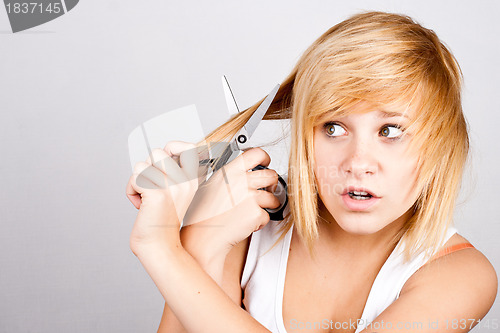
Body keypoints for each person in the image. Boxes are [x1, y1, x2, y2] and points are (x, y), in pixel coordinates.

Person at [126, 11, 497, 333]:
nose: (357, 162)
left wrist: (162, 249)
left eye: (390, 131)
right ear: (307, 136)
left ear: (440, 147)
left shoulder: (462, 275)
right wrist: (200, 244)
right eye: (333, 127)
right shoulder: (245, 224)